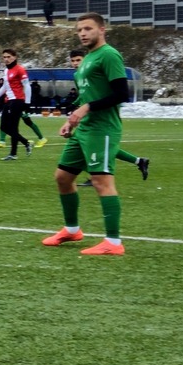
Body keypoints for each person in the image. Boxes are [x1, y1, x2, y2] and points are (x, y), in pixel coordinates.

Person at [43, 13, 132, 256]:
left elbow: (121, 93)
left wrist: (86, 109)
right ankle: (72, 230)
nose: (82, 33)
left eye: (88, 28)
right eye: (79, 29)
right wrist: (72, 119)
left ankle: (113, 243)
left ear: (102, 30)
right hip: (83, 128)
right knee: (62, 177)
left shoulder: (109, 55)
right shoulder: (88, 58)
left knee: (102, 182)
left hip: (102, 128)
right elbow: (87, 95)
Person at [65, 51, 149, 178]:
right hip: (87, 118)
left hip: (102, 118)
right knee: (95, 148)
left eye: (78, 60)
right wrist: (73, 105)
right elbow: (83, 95)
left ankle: (95, 176)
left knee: (99, 148)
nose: (76, 63)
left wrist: (85, 107)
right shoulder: (77, 75)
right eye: (73, 61)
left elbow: (113, 93)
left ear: (86, 60)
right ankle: (139, 161)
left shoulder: (100, 68)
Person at [0, 48, 34, 160]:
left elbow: (27, 86)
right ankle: (26, 143)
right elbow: (5, 86)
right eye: (4, 57)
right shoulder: (6, 71)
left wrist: (27, 103)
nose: (6, 59)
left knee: (13, 128)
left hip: (17, 101)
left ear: (15, 57)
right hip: (9, 101)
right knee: (4, 127)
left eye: (9, 57)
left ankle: (13, 154)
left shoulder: (20, 69)